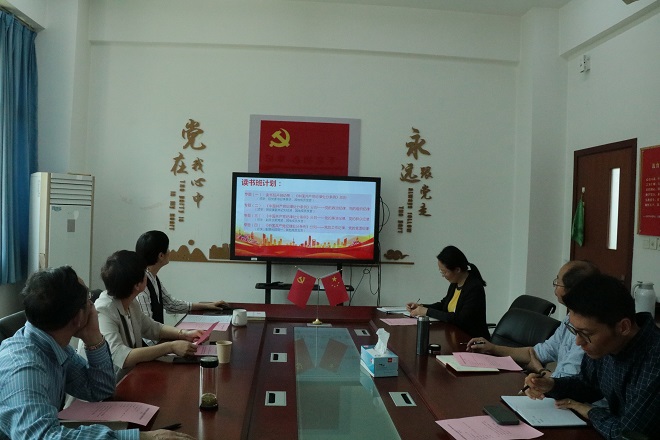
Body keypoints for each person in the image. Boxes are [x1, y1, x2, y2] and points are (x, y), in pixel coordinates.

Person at [0, 266, 194, 440]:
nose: (93, 305)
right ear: (78, 318)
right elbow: (44, 437)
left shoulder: (55, 346)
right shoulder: (24, 368)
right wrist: (139, 438)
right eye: (88, 299)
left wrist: (94, 340)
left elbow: (98, 390)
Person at [524, 274, 660, 439]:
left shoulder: (654, 362)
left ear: (623, 327)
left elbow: (626, 435)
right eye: (575, 331)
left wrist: (590, 411)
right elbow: (588, 385)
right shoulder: (607, 345)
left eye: (586, 333)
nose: (578, 342)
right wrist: (551, 385)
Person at [466, 260, 599, 376]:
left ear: (572, 290)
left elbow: (566, 381)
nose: (555, 285)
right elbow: (538, 353)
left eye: (558, 282)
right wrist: (492, 348)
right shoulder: (568, 319)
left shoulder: (589, 332)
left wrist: (540, 370)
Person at [95, 250, 203, 381]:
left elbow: (152, 328)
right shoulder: (104, 310)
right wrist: (171, 347)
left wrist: (183, 334)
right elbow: (121, 356)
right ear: (137, 285)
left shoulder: (131, 302)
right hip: (107, 386)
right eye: (145, 272)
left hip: (129, 377)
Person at [135, 231, 228, 323]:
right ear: (161, 255)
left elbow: (171, 305)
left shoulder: (153, 278)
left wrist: (207, 306)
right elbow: (146, 328)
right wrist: (180, 332)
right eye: (167, 248)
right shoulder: (142, 285)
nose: (169, 251)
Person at [406, 245, 490, 339]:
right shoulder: (455, 283)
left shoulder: (474, 288)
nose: (443, 275)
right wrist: (421, 306)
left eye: (444, 272)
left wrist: (427, 311)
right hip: (454, 335)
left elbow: (461, 319)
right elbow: (444, 305)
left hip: (471, 339)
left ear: (457, 270)